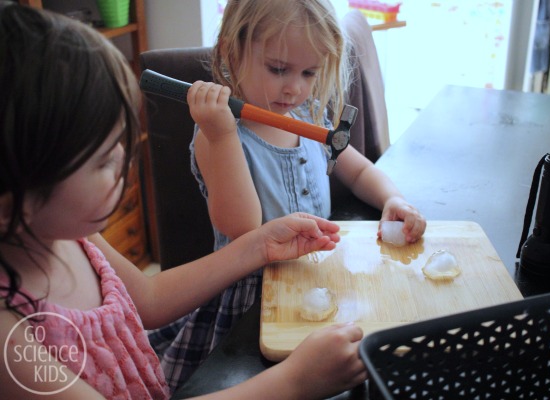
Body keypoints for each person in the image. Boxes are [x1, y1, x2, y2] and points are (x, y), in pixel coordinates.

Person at [0, 3, 366, 399]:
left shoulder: (70, 238)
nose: (125, 160)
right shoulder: (10, 340)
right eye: (104, 159)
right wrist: (293, 381)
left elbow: (150, 301)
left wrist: (261, 244)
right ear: (12, 203)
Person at [148, 0, 426, 390]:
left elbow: (359, 169)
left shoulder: (308, 115)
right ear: (231, 49)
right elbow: (242, 227)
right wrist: (222, 133)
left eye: (309, 72)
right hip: (252, 305)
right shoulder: (219, 135)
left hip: (318, 279)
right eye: (278, 69)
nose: (294, 87)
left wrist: (393, 200)